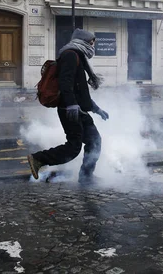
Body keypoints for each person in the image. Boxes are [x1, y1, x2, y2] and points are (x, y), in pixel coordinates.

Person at [27, 28, 109, 185]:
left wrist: (96, 109)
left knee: (94, 141)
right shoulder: (70, 55)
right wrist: (71, 105)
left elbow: (80, 90)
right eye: (92, 42)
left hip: (79, 109)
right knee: (73, 147)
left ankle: (86, 177)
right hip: (70, 110)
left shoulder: (77, 55)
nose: (93, 45)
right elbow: (65, 83)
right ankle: (38, 159)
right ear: (84, 41)